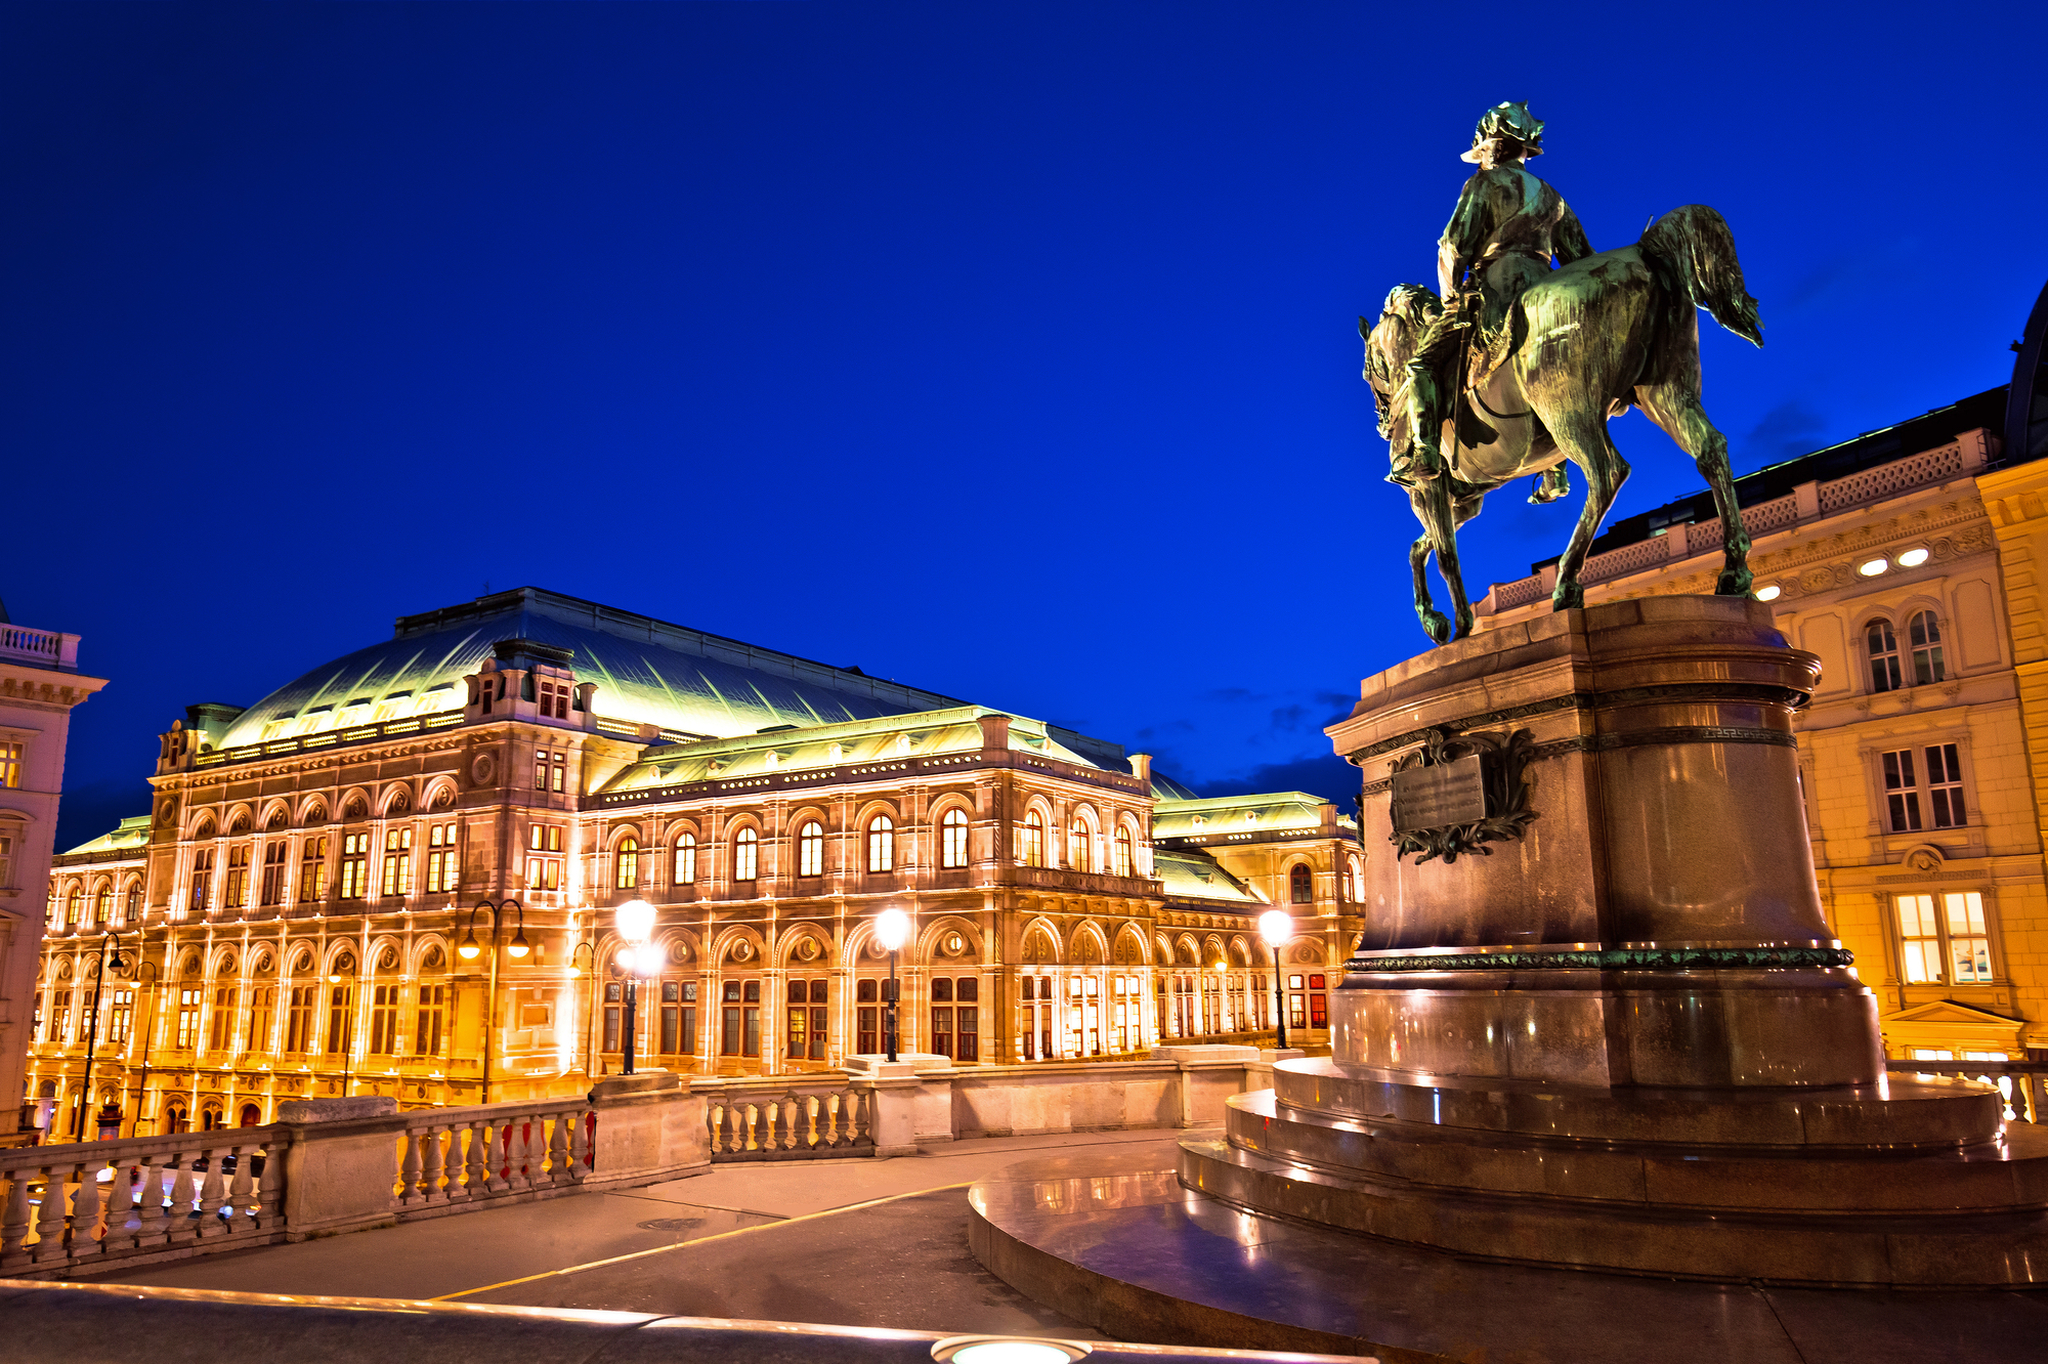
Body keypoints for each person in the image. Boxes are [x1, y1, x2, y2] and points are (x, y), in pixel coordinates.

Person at [1403, 102, 1592, 498]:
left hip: (1495, 288)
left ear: (1492, 147)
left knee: (1420, 364)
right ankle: (1555, 466)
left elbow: (1453, 246)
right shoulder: (1553, 197)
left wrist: (1451, 295)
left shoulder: (1483, 184)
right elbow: (1581, 260)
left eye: (1483, 148)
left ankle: (1423, 453)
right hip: (1547, 286)